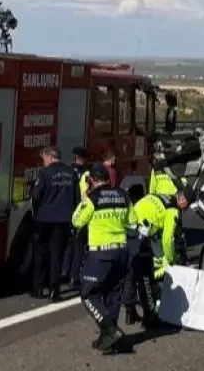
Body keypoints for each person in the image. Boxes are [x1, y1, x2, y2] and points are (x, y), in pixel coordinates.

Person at [72, 163, 131, 353]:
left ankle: (110, 329)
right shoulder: (123, 195)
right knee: (113, 295)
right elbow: (133, 220)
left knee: (88, 294)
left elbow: (76, 220)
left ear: (92, 180)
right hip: (121, 251)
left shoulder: (92, 198)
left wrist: (83, 197)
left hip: (100, 254)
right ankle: (109, 340)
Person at [124, 184, 184, 326]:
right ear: (182, 199)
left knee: (130, 275)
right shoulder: (173, 210)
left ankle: (130, 312)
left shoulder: (157, 195)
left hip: (128, 229)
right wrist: (170, 260)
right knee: (146, 277)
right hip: (141, 235)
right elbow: (168, 238)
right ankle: (149, 317)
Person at [29, 146, 77, 300]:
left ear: (50, 157)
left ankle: (37, 288)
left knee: (40, 254)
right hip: (63, 221)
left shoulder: (44, 173)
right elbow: (77, 198)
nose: (43, 162)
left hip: (44, 219)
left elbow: (36, 196)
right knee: (56, 256)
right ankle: (54, 291)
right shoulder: (71, 173)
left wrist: (37, 211)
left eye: (43, 158)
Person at [63, 147, 90, 289]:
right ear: (83, 159)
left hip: (65, 212)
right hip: (80, 213)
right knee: (79, 246)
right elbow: (86, 195)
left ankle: (64, 271)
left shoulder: (67, 171)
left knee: (69, 244)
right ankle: (74, 277)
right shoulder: (86, 174)